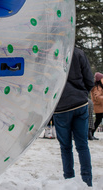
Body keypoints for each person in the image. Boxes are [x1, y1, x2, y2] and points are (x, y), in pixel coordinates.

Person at [53, 46, 94, 187]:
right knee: (83, 145)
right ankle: (87, 181)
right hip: (80, 104)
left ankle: (69, 180)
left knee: (65, 147)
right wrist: (82, 93)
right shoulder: (78, 52)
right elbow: (89, 79)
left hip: (60, 107)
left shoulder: (51, 53)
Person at [90, 72, 103, 139]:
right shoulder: (96, 87)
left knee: (98, 120)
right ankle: (91, 133)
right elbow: (97, 97)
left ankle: (91, 133)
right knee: (98, 120)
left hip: (100, 106)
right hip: (99, 107)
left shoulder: (99, 86)